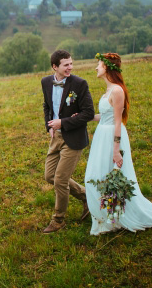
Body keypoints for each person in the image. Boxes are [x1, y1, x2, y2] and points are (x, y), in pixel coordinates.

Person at [85, 52, 152, 235]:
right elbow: (106, 116)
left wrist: (116, 150)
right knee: (99, 176)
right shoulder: (108, 91)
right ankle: (108, 216)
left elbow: (118, 121)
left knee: (112, 177)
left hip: (112, 139)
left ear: (107, 67)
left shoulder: (117, 91)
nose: (96, 68)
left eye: (99, 65)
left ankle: (115, 217)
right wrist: (84, 118)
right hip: (102, 136)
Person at [41, 49, 95, 233]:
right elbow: (47, 105)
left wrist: (62, 122)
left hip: (74, 137)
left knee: (60, 181)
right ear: (55, 66)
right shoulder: (46, 82)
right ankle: (86, 196)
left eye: (71, 63)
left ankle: (58, 220)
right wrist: (49, 126)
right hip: (56, 137)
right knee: (50, 176)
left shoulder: (80, 84)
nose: (70, 67)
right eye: (66, 65)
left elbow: (88, 113)